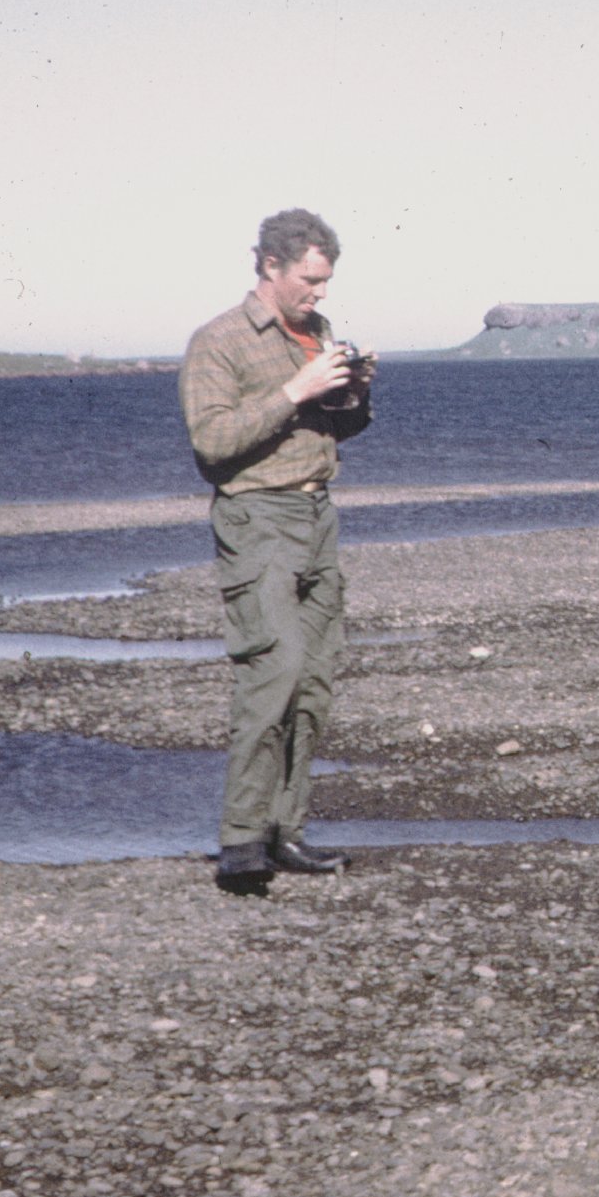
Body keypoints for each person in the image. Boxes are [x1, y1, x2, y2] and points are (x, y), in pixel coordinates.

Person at [180, 209, 372, 892]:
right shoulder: (219, 341)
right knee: (275, 670)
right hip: (257, 517)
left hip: (318, 515)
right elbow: (212, 444)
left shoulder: (315, 332)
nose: (320, 293)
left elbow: (335, 429)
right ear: (269, 266)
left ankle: (284, 831)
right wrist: (297, 389)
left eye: (325, 282)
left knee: (314, 680)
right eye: (309, 280)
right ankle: (240, 843)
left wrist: (351, 395)